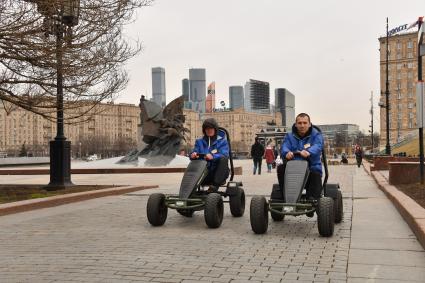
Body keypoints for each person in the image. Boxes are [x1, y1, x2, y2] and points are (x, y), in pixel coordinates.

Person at [278, 113, 324, 200]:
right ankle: (284, 196)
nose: (302, 125)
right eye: (299, 123)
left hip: (311, 167)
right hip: (293, 168)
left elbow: (318, 146)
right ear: (296, 124)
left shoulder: (316, 135)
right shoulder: (289, 136)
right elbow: (285, 146)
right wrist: (286, 152)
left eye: (305, 123)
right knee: (281, 168)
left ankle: (312, 198)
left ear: (309, 124)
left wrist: (309, 152)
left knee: (315, 174)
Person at [190, 118, 229, 191]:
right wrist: (193, 155)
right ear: (204, 130)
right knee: (193, 161)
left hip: (217, 173)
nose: (209, 130)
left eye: (211, 128)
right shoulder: (199, 142)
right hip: (203, 172)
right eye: (207, 129)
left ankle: (214, 186)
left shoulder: (222, 142)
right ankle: (188, 190)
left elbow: (224, 154)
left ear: (215, 129)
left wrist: (213, 156)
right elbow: (194, 152)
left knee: (224, 159)